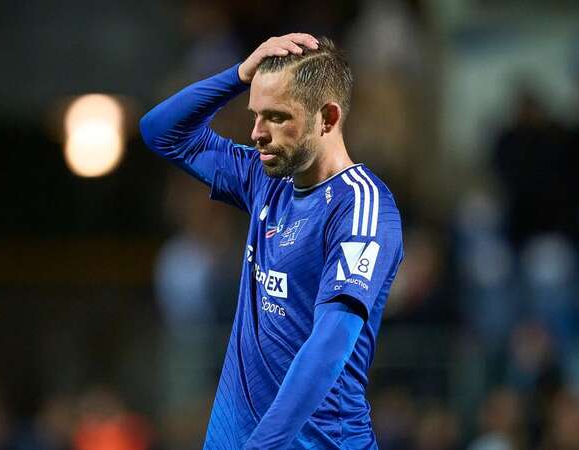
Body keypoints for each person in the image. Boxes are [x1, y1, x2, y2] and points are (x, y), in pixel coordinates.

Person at [139, 33, 404, 449]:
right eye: (255, 113)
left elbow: (330, 343)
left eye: (277, 116)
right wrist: (239, 75)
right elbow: (160, 132)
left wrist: (264, 445)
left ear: (328, 118)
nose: (257, 132)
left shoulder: (360, 207)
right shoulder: (265, 179)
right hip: (238, 436)